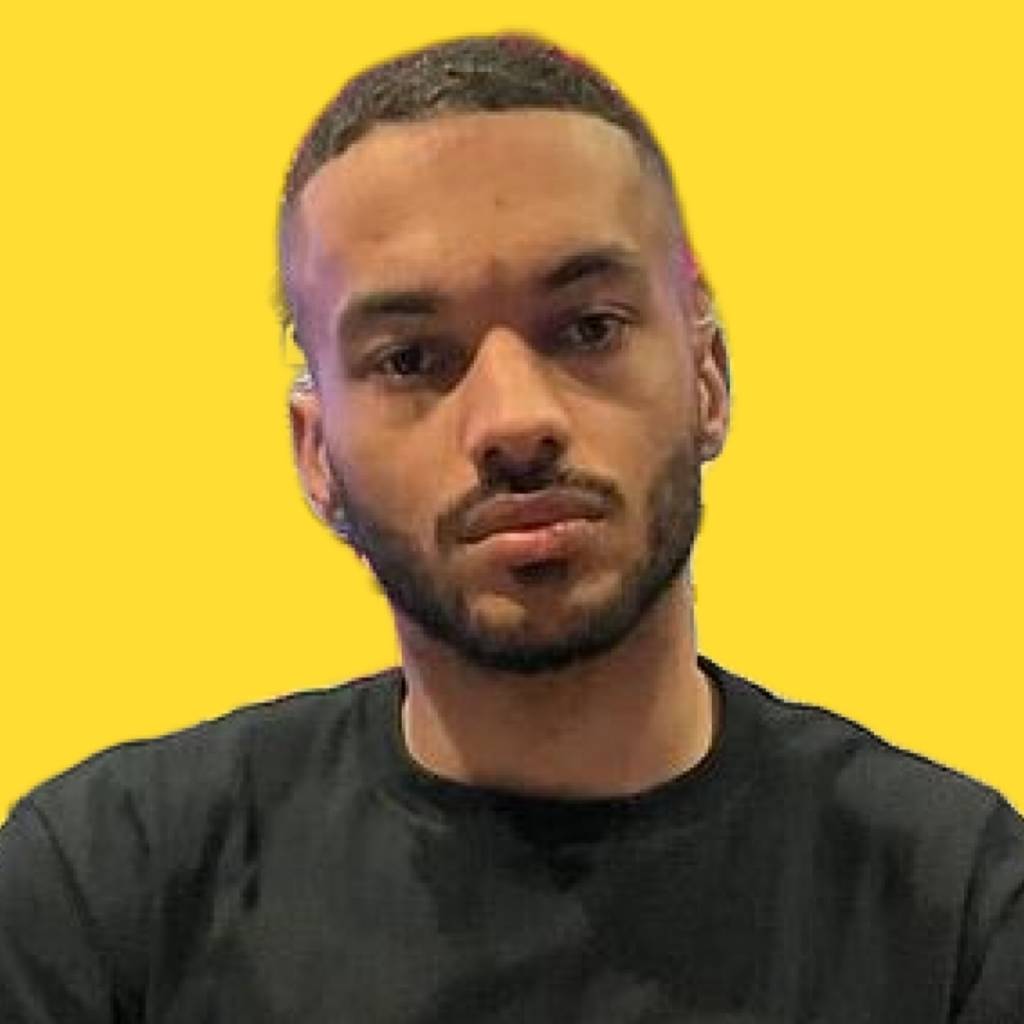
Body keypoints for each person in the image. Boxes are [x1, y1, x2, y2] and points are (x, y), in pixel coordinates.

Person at [1, 32, 1021, 1024]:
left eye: (588, 328)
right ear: (316, 454)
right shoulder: (107, 890)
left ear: (708, 379)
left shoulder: (956, 907)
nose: (515, 419)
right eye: (411, 359)